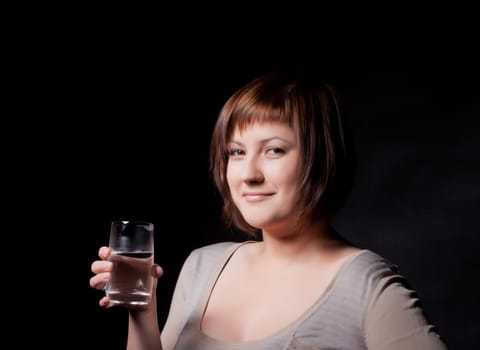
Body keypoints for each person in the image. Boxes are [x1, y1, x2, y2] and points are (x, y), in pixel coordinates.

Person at [90, 69, 448, 349]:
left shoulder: (366, 284)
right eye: (236, 152)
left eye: (274, 150)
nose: (249, 174)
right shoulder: (203, 266)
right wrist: (142, 311)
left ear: (321, 158)